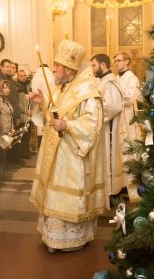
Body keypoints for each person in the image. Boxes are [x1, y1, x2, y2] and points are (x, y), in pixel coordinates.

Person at [29, 40, 106, 253]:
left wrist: (68, 125)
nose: (53, 69)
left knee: (68, 197)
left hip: (73, 156)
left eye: (57, 66)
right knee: (52, 194)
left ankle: (72, 239)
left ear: (69, 70)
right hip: (55, 152)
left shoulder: (87, 91)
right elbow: (55, 109)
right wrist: (42, 101)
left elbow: (93, 123)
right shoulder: (61, 86)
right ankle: (53, 237)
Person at [90, 54, 130, 205]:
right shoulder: (101, 81)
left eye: (94, 65)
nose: (92, 69)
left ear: (103, 65)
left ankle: (111, 193)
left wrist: (94, 114)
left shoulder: (110, 82)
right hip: (101, 129)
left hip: (108, 130)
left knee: (109, 161)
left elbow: (113, 107)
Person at [113, 52, 142, 201]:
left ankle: (133, 187)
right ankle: (119, 186)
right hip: (118, 120)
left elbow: (130, 98)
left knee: (129, 151)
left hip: (128, 120)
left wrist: (115, 97)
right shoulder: (115, 78)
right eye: (115, 61)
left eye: (119, 60)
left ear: (127, 61)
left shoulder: (132, 78)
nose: (116, 63)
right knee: (118, 152)